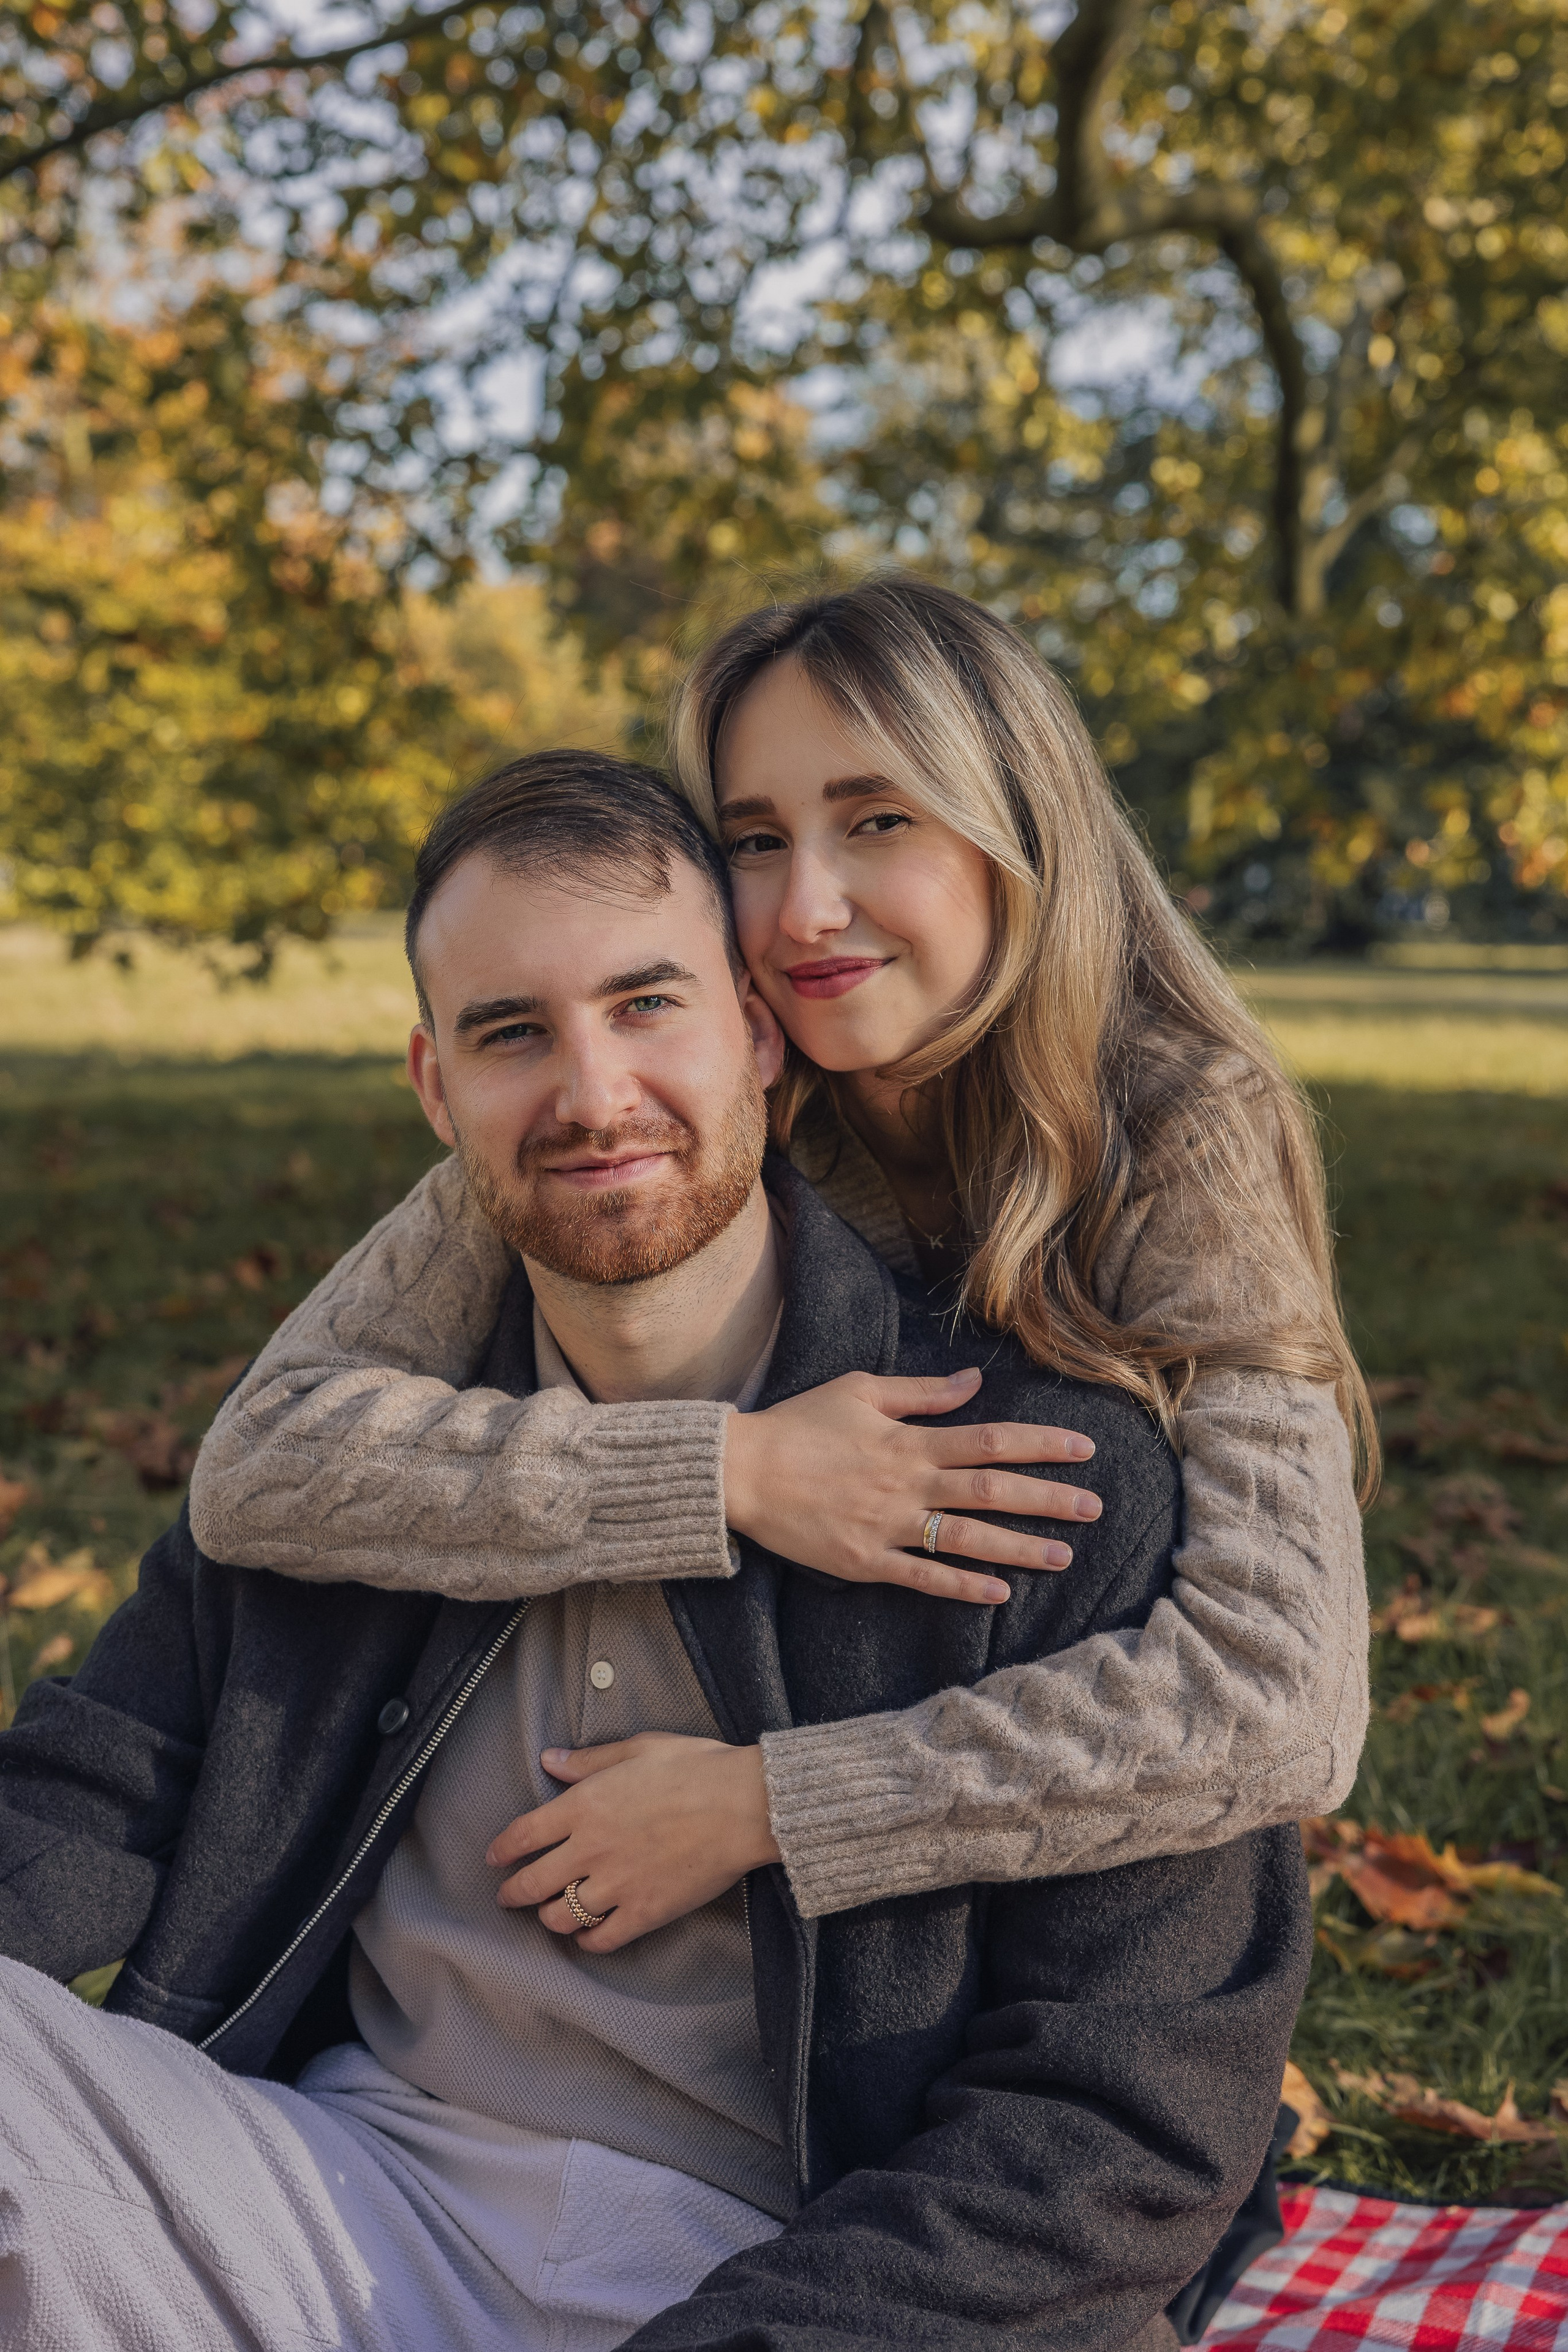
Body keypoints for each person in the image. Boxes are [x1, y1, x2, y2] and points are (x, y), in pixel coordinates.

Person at [0, 759, 1310, 2351]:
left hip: (786, 2272)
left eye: (646, 1006)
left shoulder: (1036, 1477)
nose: (592, 1092)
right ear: (434, 1086)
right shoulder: (362, 1463)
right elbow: (87, 1783)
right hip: (322, 2199)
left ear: (761, 1034)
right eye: (512, 1033)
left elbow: (1119, 2120)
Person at [188, 576, 1368, 1942]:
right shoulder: (668, 1105)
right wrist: (726, 1471)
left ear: (1016, 835)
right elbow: (266, 1461)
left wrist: (766, 1809)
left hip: (1080, 1936)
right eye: (754, 839)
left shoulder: (1176, 1132)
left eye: (876, 821)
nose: (804, 908)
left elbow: (1279, 1701)